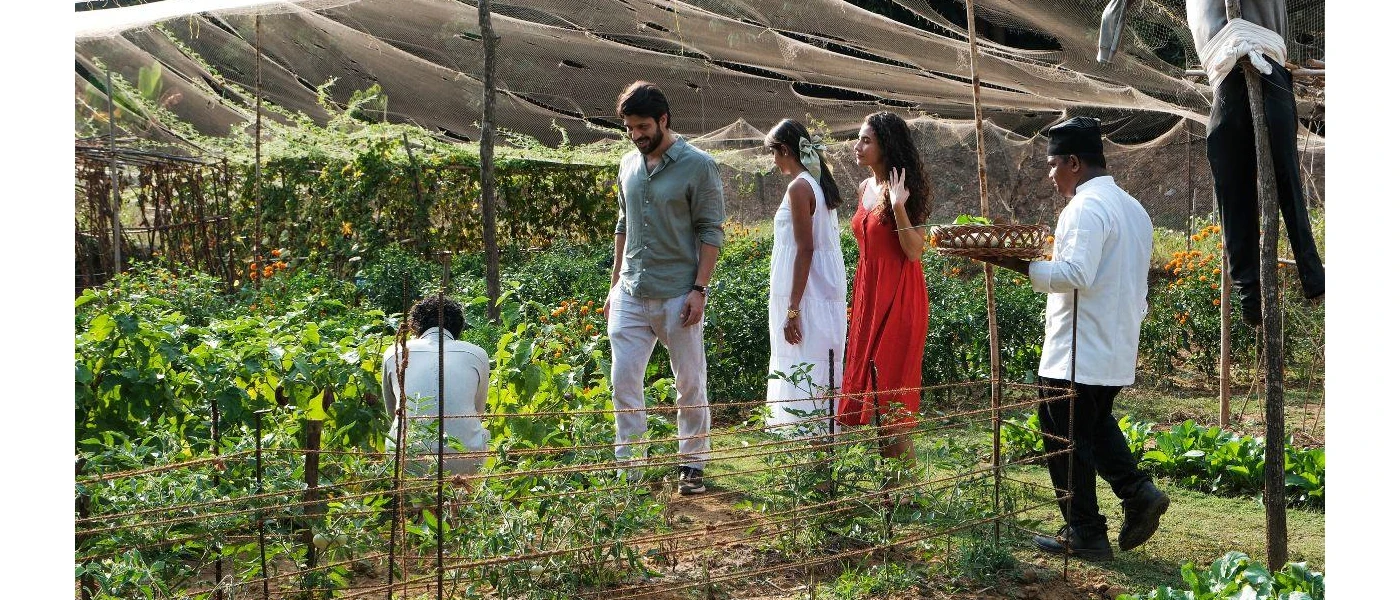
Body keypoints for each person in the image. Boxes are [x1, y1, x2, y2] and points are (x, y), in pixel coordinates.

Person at [974, 116, 1169, 561]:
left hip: (1077, 351)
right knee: (1095, 426)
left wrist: (1010, 262)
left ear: (1075, 163)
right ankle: (1138, 493)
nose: (1050, 174)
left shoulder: (1084, 208)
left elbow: (1074, 274)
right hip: (1114, 346)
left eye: (1053, 164)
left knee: (1064, 438)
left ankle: (1085, 531)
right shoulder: (1133, 209)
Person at [1098, 0, 1324, 325]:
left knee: (1285, 177)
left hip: (1268, 65)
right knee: (1233, 189)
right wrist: (1107, 44)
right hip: (1225, 76)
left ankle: (1312, 278)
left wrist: (1108, 44)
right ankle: (1250, 296)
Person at [604, 81, 725, 496]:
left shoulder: (699, 165)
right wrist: (614, 282)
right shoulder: (627, 166)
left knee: (689, 382)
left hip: (679, 294)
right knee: (623, 381)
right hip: (631, 293)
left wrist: (699, 289)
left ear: (663, 120)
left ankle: (691, 464)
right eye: (630, 129)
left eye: (643, 127)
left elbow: (711, 231)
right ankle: (630, 468)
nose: (637, 135)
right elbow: (623, 224)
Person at [836, 111, 930, 467]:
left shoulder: (905, 187)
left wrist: (898, 207)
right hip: (870, 295)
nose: (857, 146)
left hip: (901, 298)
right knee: (875, 398)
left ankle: (907, 490)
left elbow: (914, 250)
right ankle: (895, 488)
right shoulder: (863, 188)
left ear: (886, 146)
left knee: (891, 400)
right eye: (858, 138)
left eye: (866, 140)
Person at [762, 119, 847, 437]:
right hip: (818, 293)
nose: (774, 162)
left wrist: (793, 309)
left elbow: (806, 249)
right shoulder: (816, 182)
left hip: (807, 296)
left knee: (806, 369)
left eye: (775, 154)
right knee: (815, 371)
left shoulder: (801, 186)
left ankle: (815, 469)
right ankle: (818, 469)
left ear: (784, 150)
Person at [381, 295, 491, 475]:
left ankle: (414, 502)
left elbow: (393, 412)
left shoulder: (394, 352)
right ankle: (458, 500)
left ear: (415, 326)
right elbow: (478, 412)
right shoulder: (477, 354)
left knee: (414, 499)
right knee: (481, 434)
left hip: (406, 456)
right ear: (458, 328)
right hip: (464, 460)